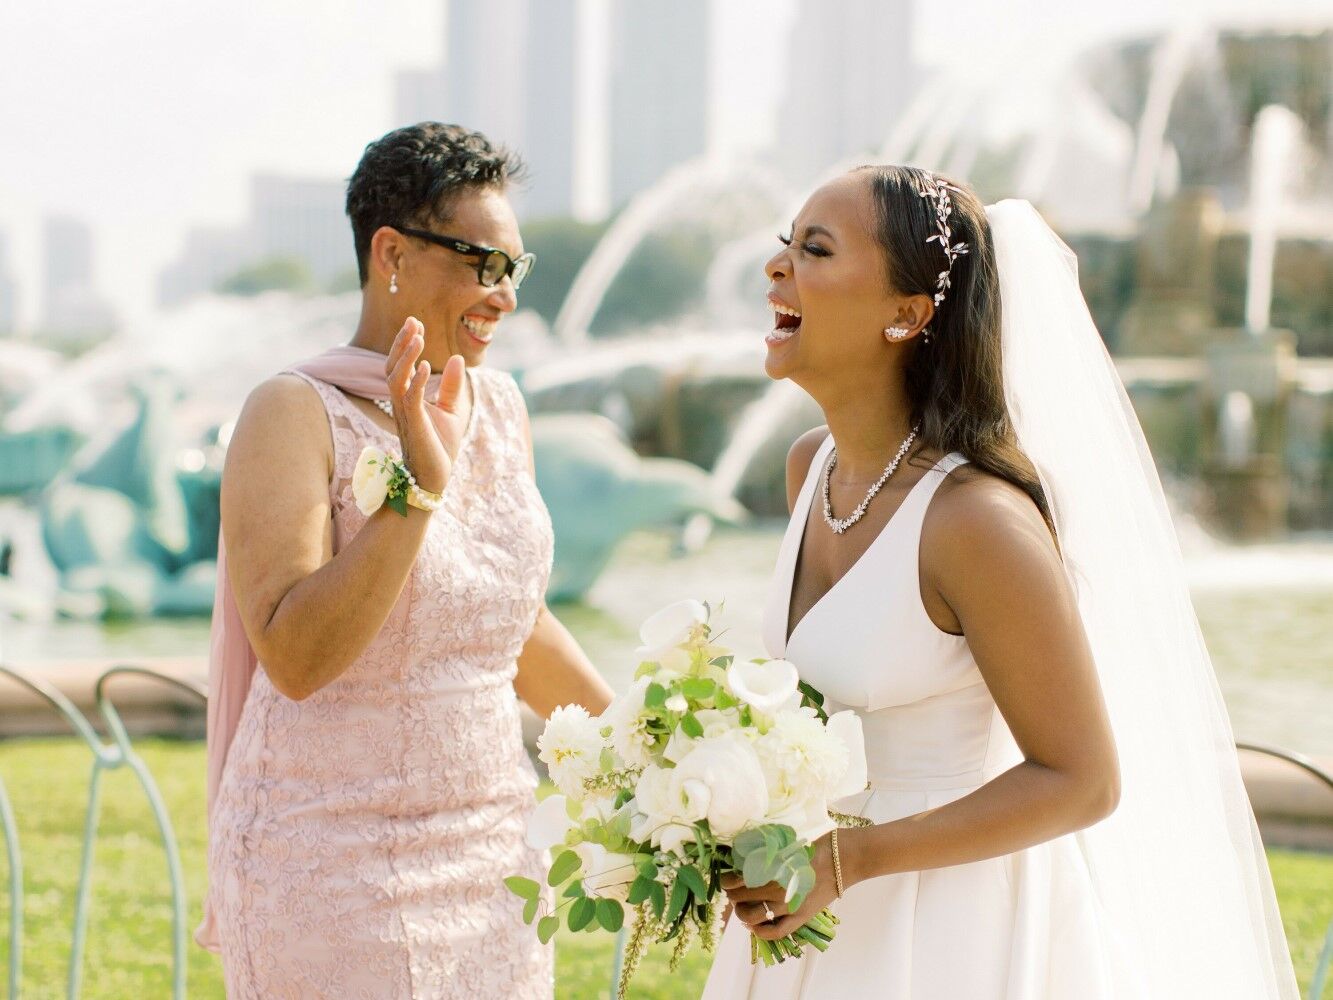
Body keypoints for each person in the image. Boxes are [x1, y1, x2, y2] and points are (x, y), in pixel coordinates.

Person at [703, 166, 1298, 998]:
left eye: (815, 249)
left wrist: (851, 858)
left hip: (950, 923)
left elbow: (1081, 780)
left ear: (906, 315)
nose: (777, 268)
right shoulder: (812, 468)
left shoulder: (975, 522)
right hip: (810, 901)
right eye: (784, 246)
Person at [195, 122, 612, 998]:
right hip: (328, 868)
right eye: (482, 263)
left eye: (515, 271)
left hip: (495, 863)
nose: (504, 296)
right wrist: (416, 492)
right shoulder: (291, 411)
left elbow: (511, 622)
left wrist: (652, 751)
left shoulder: (498, 408)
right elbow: (296, 656)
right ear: (390, 251)